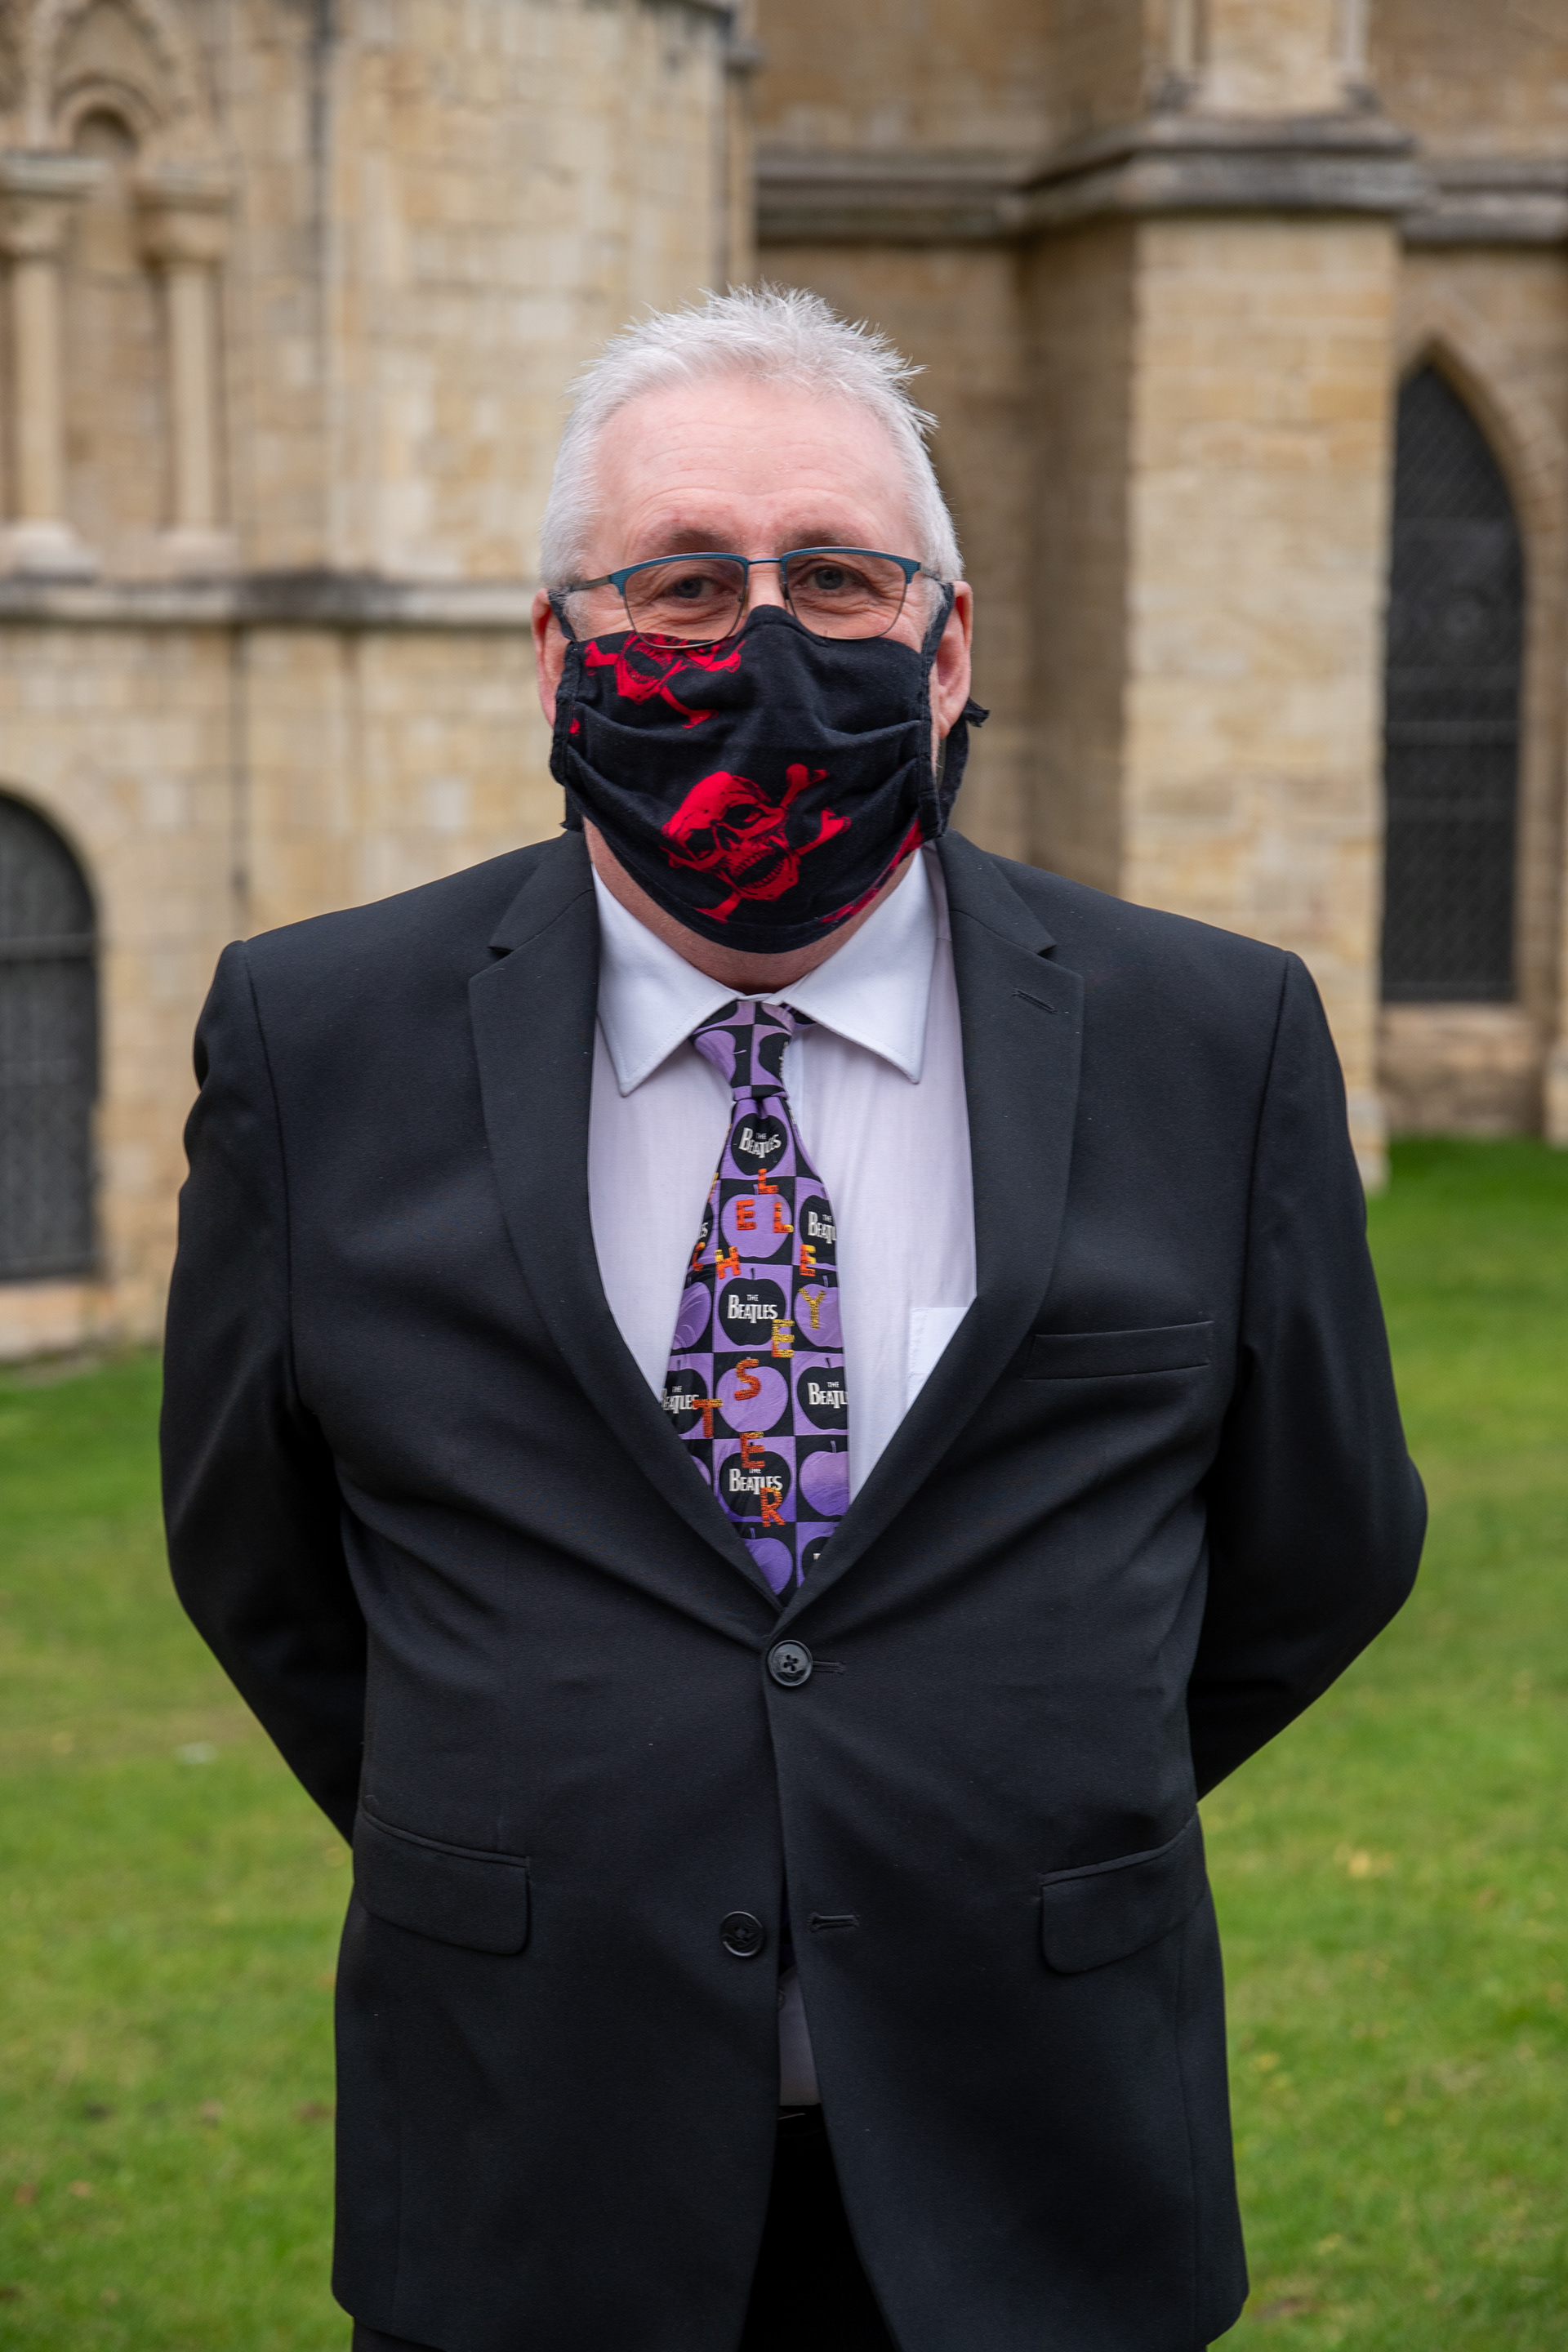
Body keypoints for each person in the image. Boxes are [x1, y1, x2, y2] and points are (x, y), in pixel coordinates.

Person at [161, 286, 1425, 2352]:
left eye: (834, 575)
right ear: (560, 653)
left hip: (1041, 2169)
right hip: (525, 2169)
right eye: (678, 582)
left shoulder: (1215, 1037)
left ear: (948, 650)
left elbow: (1323, 1539)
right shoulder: (321, 1036)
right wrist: (534, 1808)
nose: (759, 639)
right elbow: (262, 1555)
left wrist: (1021, 1778)